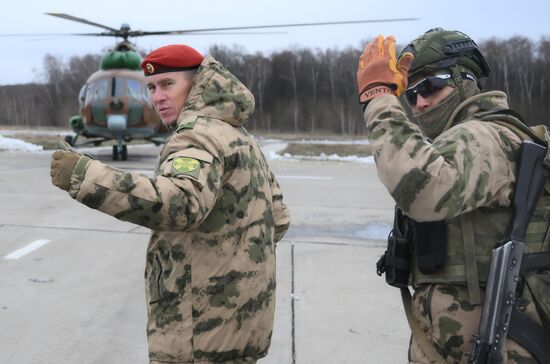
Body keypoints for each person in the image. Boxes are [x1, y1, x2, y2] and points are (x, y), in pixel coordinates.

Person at [50, 44, 290, 364]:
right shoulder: (235, 133)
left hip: (202, 328)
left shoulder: (197, 136)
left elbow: (179, 205)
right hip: (243, 320)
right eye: (150, 87)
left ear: (199, 83)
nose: (157, 97)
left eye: (168, 85)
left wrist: (85, 175)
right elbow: (280, 216)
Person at [357, 29, 550, 363]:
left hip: (499, 347)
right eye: (411, 94)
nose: (420, 102)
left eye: (430, 86)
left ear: (464, 82)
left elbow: (422, 188)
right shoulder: (460, 141)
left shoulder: (483, 135)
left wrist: (380, 98)